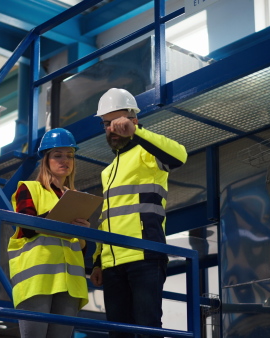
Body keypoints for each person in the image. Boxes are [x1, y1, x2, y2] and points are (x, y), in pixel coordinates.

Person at [89, 88, 188, 337]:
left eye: (117, 121)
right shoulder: (107, 171)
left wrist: (138, 133)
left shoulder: (148, 153)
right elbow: (106, 220)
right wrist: (99, 262)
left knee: (147, 328)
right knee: (118, 333)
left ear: (133, 119)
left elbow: (180, 155)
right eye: (106, 124)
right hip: (112, 264)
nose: (111, 129)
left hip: (144, 255)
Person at [7, 128, 90, 338]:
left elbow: (81, 247)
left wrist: (82, 233)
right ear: (46, 160)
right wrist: (58, 218)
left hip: (70, 283)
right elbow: (26, 226)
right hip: (38, 281)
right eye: (58, 155)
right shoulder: (29, 189)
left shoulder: (76, 198)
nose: (65, 160)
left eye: (70, 156)